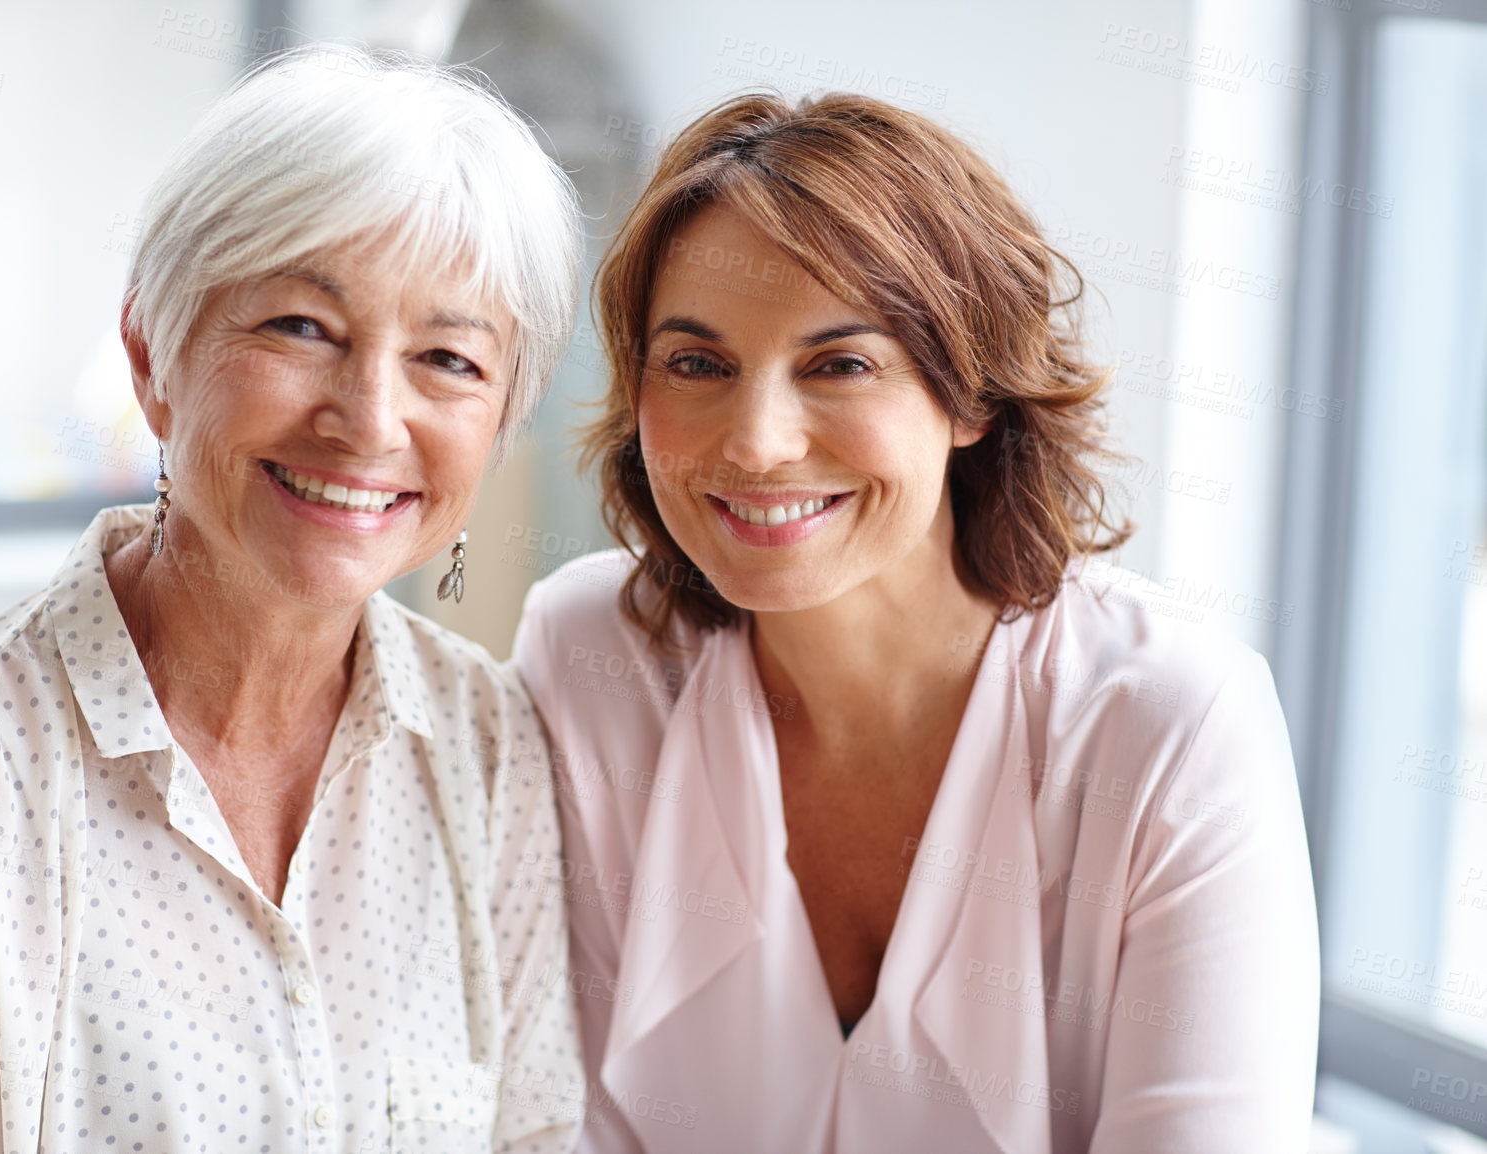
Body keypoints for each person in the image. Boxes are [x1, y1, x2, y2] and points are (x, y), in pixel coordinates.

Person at [0, 45, 585, 1154]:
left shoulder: (490, 748)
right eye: (302, 327)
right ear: (152, 354)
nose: (371, 418)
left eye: (448, 358)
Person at [511, 92, 1319, 1153]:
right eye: (698, 364)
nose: (755, 443)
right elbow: (536, 1118)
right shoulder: (591, 654)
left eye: (839, 363)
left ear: (971, 394)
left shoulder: (1171, 722)